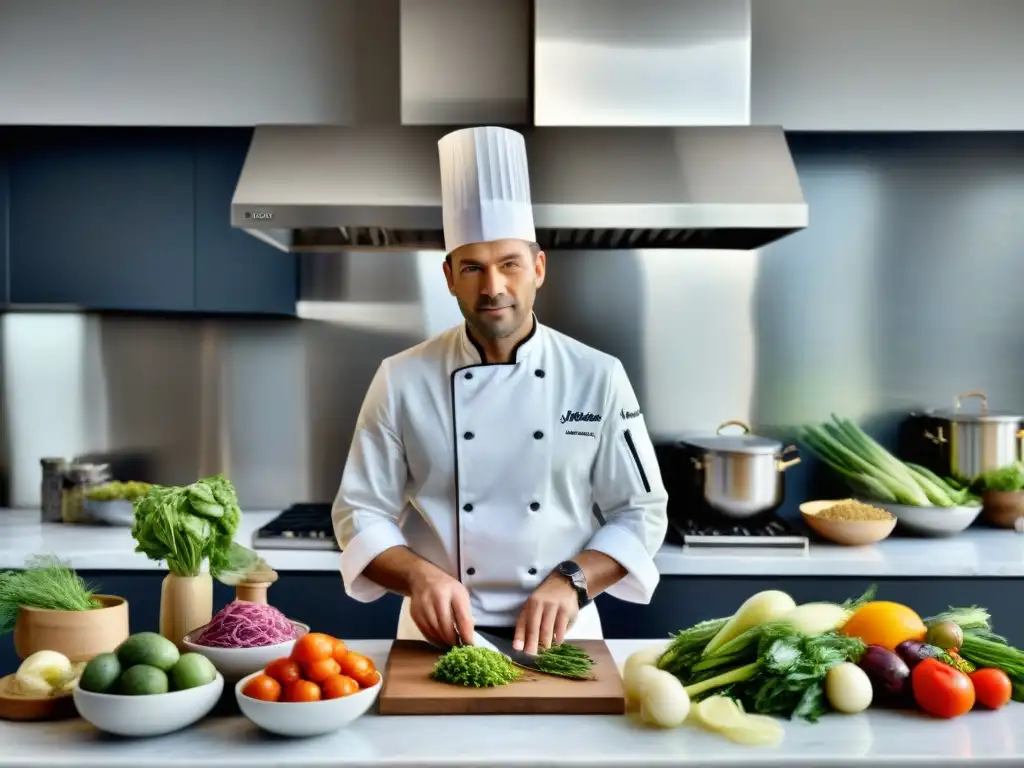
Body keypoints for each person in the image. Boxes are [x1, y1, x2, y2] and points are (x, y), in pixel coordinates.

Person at [332, 125, 668, 654]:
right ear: (448, 276)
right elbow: (359, 512)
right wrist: (419, 577)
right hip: (435, 635)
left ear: (537, 268)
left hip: (565, 633)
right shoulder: (401, 377)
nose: (493, 287)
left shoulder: (597, 375)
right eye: (472, 268)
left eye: (509, 264)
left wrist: (574, 580)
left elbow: (641, 510)